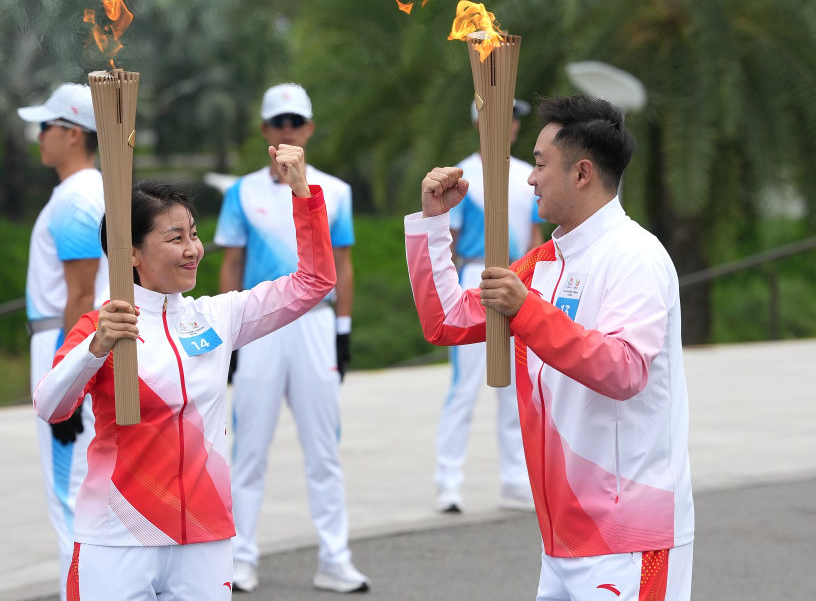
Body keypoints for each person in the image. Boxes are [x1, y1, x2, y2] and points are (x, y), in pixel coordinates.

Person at [406, 95, 694, 599]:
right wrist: (432, 226)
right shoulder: (540, 264)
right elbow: (447, 322)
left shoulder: (636, 257)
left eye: (540, 165)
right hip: (560, 540)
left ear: (582, 173)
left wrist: (529, 312)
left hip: (628, 537)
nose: (531, 179)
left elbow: (624, 370)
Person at [33, 144, 336, 600]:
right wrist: (95, 349)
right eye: (175, 239)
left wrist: (302, 194)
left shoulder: (216, 317)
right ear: (131, 253)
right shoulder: (103, 325)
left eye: (193, 234)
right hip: (118, 532)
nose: (193, 249)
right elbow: (50, 406)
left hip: (204, 532)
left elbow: (313, 283)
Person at [215, 83, 368, 594]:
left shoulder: (335, 191)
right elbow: (230, 264)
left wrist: (343, 331)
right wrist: (227, 338)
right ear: (264, 131)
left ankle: (335, 558)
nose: (286, 130)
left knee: (323, 449)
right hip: (259, 325)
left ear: (309, 128)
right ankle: (239, 558)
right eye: (277, 122)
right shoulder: (241, 193)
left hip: (316, 327)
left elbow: (341, 266)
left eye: (295, 122)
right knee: (250, 448)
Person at [17, 83, 108, 600]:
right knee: (81, 490)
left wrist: (63, 381)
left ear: (73, 134)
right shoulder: (93, 190)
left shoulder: (76, 198)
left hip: (68, 339)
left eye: (45, 127)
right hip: (80, 341)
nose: (38, 137)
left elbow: (81, 293)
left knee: (69, 494)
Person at [435, 98, 543, 514]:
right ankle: (448, 479)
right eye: (496, 116)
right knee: (465, 385)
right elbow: (449, 241)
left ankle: (516, 479)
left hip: (519, 283)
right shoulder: (461, 177)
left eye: (512, 118)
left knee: (516, 385)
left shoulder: (528, 176)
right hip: (475, 280)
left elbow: (535, 235)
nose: (506, 124)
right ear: (478, 122)